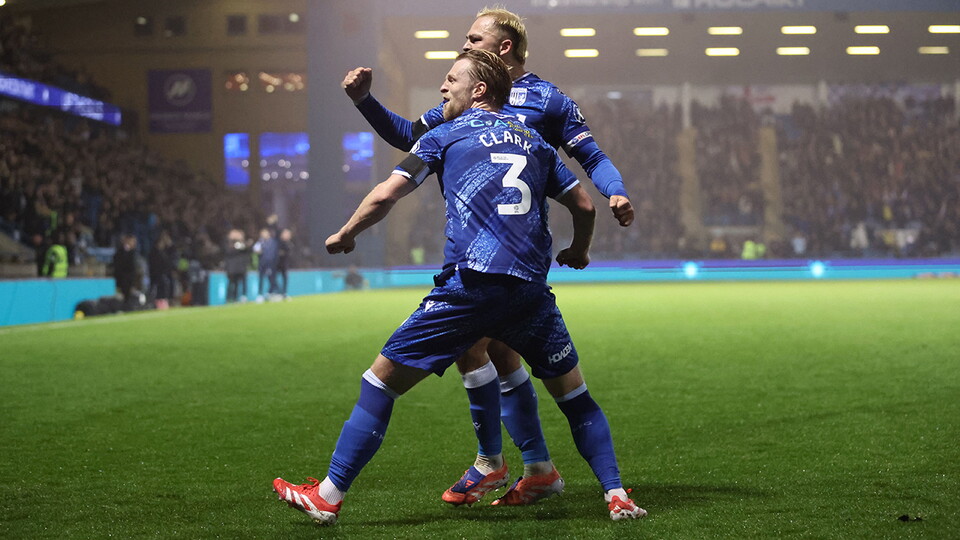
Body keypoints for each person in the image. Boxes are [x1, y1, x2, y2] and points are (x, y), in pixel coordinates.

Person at [273, 50, 644, 525]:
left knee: (380, 380)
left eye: (451, 81)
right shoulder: (536, 142)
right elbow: (585, 206)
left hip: (469, 286)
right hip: (529, 293)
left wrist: (347, 232)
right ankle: (615, 495)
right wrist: (580, 251)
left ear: (480, 90)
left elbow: (388, 191)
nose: (443, 89)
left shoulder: (446, 135)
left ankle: (328, 495)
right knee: (575, 397)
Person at [223, 228, 251, 303]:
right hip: (231, 268)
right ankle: (228, 298)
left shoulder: (242, 244)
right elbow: (228, 252)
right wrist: (237, 248)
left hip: (241, 268)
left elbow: (247, 251)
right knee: (231, 283)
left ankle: (238, 297)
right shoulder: (227, 243)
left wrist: (243, 243)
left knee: (239, 283)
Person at [253, 227, 279, 302]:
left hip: (270, 264)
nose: (263, 235)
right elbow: (255, 250)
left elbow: (274, 254)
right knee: (261, 279)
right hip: (262, 264)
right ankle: (260, 294)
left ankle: (271, 293)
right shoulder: (260, 242)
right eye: (262, 233)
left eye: (264, 233)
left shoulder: (273, 242)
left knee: (271, 279)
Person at [277, 228, 294, 299]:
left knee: (285, 278)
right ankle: (276, 293)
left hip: (285, 264)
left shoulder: (289, 244)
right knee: (273, 278)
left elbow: (288, 253)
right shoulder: (278, 242)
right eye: (285, 233)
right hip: (276, 264)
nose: (286, 235)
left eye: (288, 234)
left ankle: (284, 293)